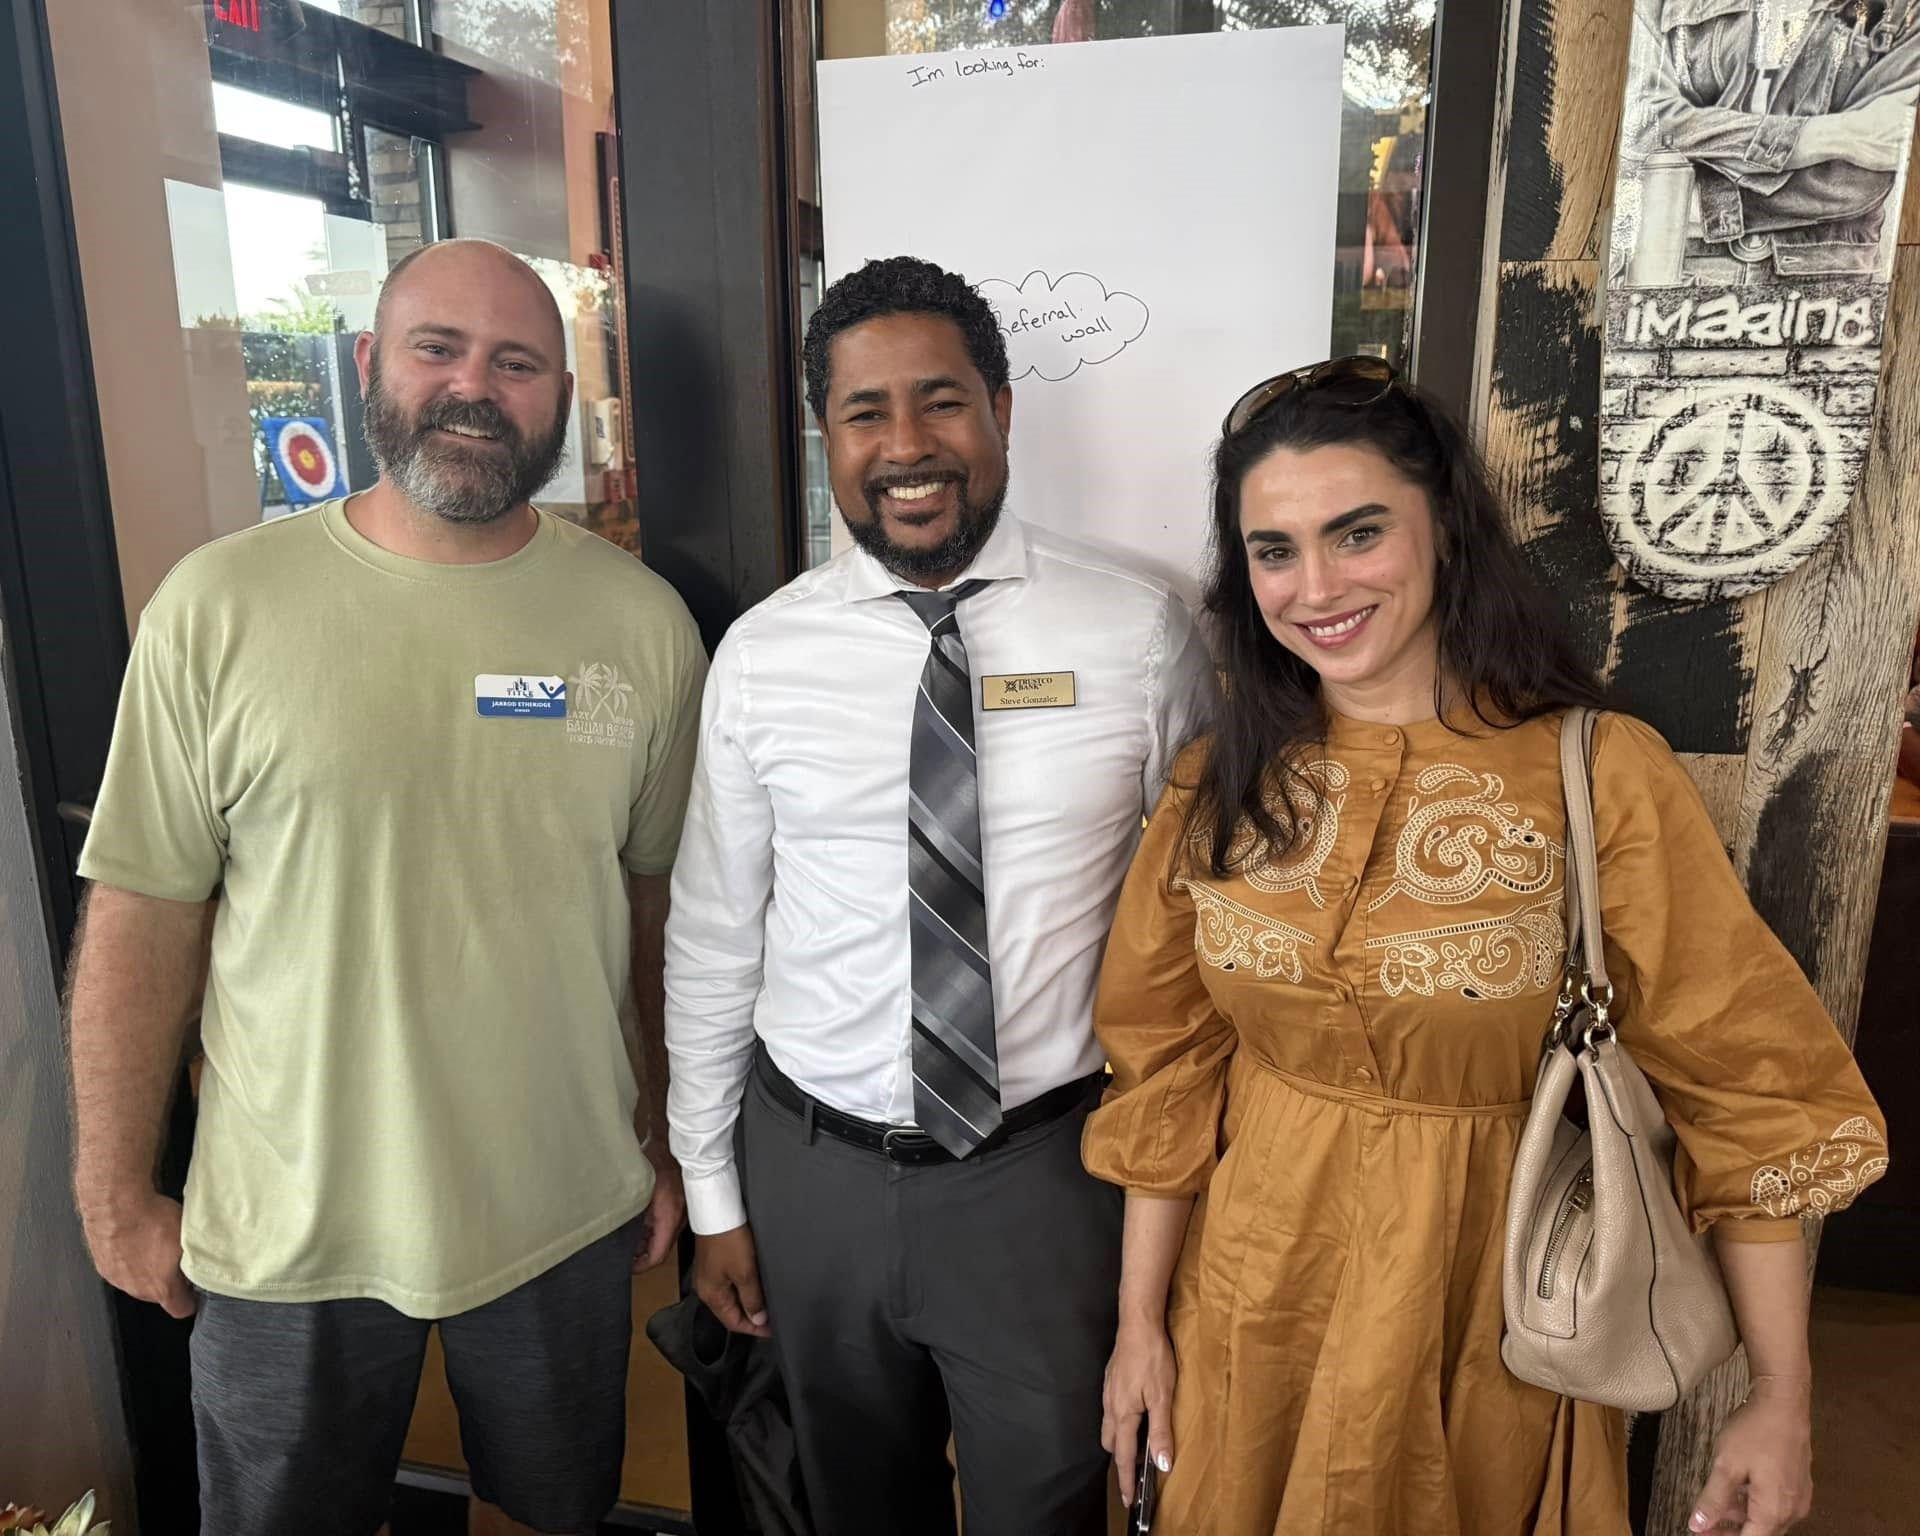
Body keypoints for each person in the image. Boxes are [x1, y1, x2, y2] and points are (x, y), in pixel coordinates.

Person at [1086, 356, 1889, 1536]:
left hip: (1483, 1311)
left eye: (1359, 534)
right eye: (1275, 550)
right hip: (1246, 1306)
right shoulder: (1225, 783)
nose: (1316, 585)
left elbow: (1750, 1091)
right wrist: (1139, 1328)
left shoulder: (1596, 775)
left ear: (1448, 531)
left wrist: (1781, 1395)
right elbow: (1165, 1068)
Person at [67, 239, 707, 1536]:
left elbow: (660, 912)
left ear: (559, 397)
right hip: (286, 1226)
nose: (476, 386)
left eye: (516, 362)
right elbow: (144, 915)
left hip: (559, 1211)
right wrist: (113, 1185)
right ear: (370, 365)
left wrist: (667, 1137)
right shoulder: (219, 609)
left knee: (553, 1518)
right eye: (439, 348)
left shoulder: (643, 628)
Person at [663, 254, 1215, 1534]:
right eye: (865, 413)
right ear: (827, 441)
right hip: (814, 1180)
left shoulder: (1140, 634)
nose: (907, 446)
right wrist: (715, 1196)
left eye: (941, 401)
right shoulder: (762, 656)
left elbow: (1192, 928)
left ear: (1003, 410)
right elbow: (711, 937)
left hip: (1048, 1177)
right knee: (853, 1504)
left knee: (1056, 1503)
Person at [1629, 0, 1920, 278]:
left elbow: (1869, 170)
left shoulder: (1903, 10)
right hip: (1670, 261)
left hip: (1821, 274)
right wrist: (1824, 135)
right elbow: (1644, 124)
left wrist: (1684, 199)